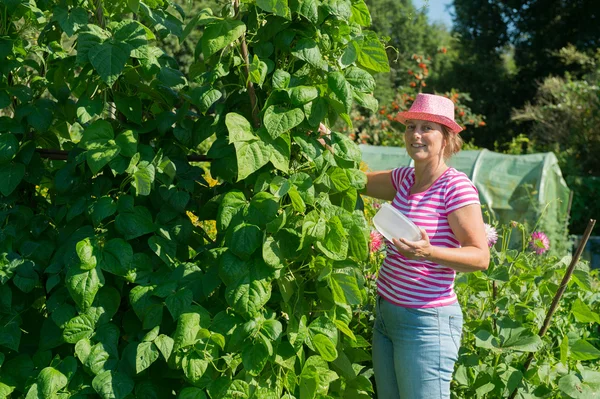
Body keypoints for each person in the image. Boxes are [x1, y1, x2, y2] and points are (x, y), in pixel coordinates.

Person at [363, 93, 490, 399]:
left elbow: (480, 256)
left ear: (446, 139)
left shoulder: (455, 187)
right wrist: (326, 140)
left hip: (424, 324)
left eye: (427, 128)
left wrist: (428, 252)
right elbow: (355, 180)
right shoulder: (404, 179)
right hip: (386, 316)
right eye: (411, 127)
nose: (416, 135)